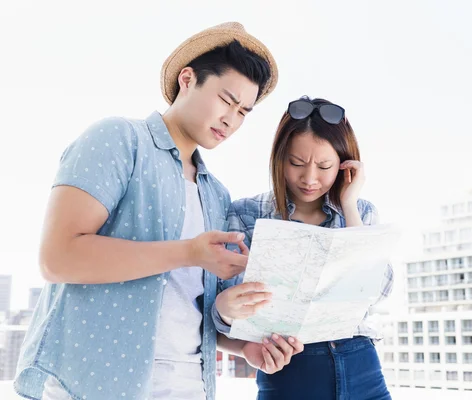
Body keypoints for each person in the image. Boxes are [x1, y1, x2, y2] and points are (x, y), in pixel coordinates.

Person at [14, 22, 302, 400]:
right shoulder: (118, 139)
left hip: (190, 385)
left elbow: (192, 307)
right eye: (226, 100)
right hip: (95, 381)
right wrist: (187, 252)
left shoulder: (216, 193)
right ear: (187, 79)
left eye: (244, 112)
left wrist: (245, 348)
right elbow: (58, 257)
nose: (232, 119)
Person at [213, 96, 394, 399]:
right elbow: (223, 314)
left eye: (324, 166)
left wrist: (348, 205)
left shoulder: (361, 212)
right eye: (296, 163)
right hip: (289, 368)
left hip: (361, 365)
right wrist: (238, 329)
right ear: (279, 159)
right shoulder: (246, 213)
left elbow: (378, 292)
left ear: (343, 165)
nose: (310, 179)